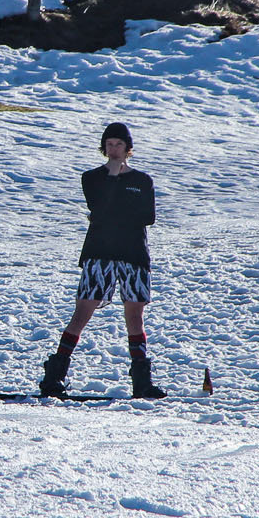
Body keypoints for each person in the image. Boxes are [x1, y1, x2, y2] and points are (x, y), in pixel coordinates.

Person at [39, 122, 163, 399]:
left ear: (128, 148)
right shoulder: (92, 177)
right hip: (99, 252)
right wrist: (113, 180)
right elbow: (99, 206)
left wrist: (115, 210)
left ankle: (142, 381)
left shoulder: (143, 181)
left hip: (133, 254)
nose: (114, 149)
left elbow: (148, 217)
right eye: (109, 144)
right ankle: (54, 376)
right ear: (104, 148)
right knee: (82, 313)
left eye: (119, 144)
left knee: (135, 317)